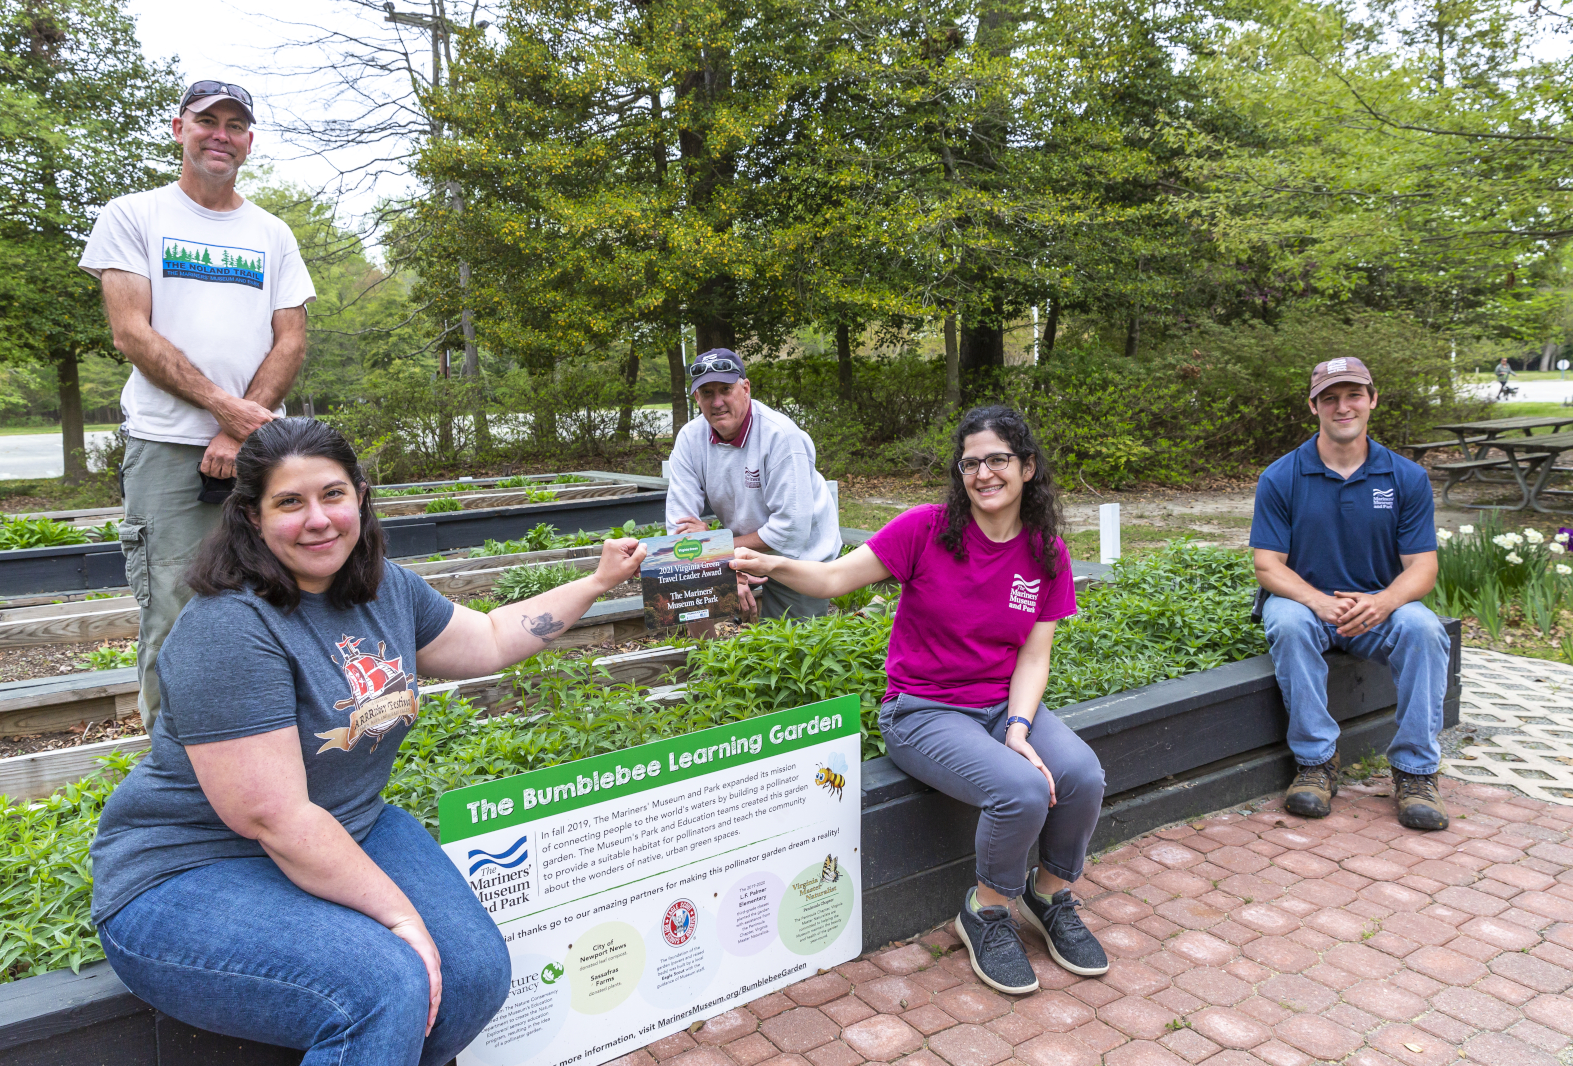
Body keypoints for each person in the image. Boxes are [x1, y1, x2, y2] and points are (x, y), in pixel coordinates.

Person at [89, 418, 647, 1065]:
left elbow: (492, 636)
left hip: (349, 826)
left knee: (472, 976)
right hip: (190, 870)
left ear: (359, 495)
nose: (318, 519)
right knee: (385, 986)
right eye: (290, 503)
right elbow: (275, 817)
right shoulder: (229, 627)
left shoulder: (384, 589)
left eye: (332, 495)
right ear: (250, 517)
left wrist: (599, 580)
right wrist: (403, 921)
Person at [731, 405, 1108, 995]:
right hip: (923, 711)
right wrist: (770, 563)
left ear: (1028, 468)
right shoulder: (926, 529)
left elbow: (1035, 656)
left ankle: (1050, 896)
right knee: (1022, 790)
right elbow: (833, 580)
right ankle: (985, 913)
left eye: (998, 460)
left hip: (998, 708)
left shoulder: (1045, 551)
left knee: (1082, 773)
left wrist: (1017, 726)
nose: (984, 473)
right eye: (971, 463)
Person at [79, 80, 316, 731]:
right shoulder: (135, 216)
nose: (221, 133)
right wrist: (226, 413)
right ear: (179, 128)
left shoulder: (271, 232)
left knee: (276, 601)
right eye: (206, 120)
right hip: (168, 450)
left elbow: (291, 336)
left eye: (234, 124)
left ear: (249, 141)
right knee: (178, 616)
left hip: (262, 453)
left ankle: (266, 752)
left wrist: (242, 431)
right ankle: (175, 780)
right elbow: (131, 331)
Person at [1251, 356, 1451, 831]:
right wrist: (1319, 601)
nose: (1343, 407)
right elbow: (1267, 566)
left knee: (1424, 628)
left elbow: (1423, 568)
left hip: (1375, 609)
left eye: (1353, 395)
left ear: (1372, 400)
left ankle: (1415, 772)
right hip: (1308, 604)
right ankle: (1316, 763)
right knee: (1287, 621)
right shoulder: (1282, 476)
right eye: (1330, 398)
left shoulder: (1405, 477)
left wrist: (1383, 602)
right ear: (1314, 406)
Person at [666, 348, 842, 621]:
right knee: (714, 632)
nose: (717, 402)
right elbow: (679, 526)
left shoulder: (780, 436)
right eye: (708, 393)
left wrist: (717, 551)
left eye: (726, 389)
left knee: (792, 652)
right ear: (696, 398)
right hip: (745, 550)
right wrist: (724, 566)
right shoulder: (690, 439)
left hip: (800, 557)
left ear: (745, 388)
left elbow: (791, 531)